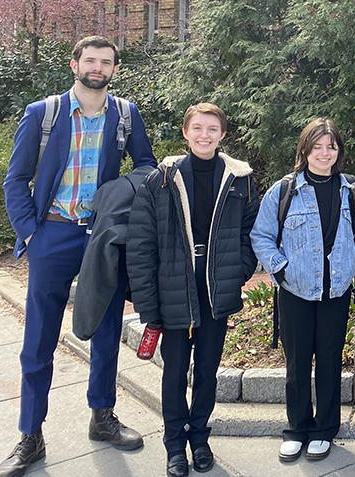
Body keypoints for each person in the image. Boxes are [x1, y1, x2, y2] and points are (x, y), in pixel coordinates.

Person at [0, 36, 155, 477]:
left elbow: (146, 165)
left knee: (106, 330)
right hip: (52, 235)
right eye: (91, 60)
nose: (98, 68)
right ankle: (31, 434)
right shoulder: (42, 114)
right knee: (40, 338)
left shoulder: (125, 114)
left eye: (107, 62)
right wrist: (31, 234)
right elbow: (16, 180)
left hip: (102, 238)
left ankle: (102, 417)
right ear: (75, 64)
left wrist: (116, 197)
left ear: (115, 70)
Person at [126, 103, 259, 477]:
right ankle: (174, 445)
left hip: (215, 292)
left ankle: (199, 438)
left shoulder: (240, 179)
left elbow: (249, 235)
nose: (204, 135)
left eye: (212, 129)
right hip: (174, 293)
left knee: (206, 372)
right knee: (174, 372)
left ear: (222, 134)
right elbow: (141, 246)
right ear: (185, 133)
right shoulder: (162, 179)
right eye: (197, 128)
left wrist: (238, 273)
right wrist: (148, 304)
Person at [250, 118, 355, 464]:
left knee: (330, 361)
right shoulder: (284, 190)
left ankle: (324, 431)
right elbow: (261, 235)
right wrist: (281, 268)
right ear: (305, 150)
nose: (324, 153)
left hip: (335, 291)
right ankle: (297, 429)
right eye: (317, 146)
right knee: (298, 362)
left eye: (330, 146)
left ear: (338, 151)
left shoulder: (351, 190)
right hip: (295, 291)